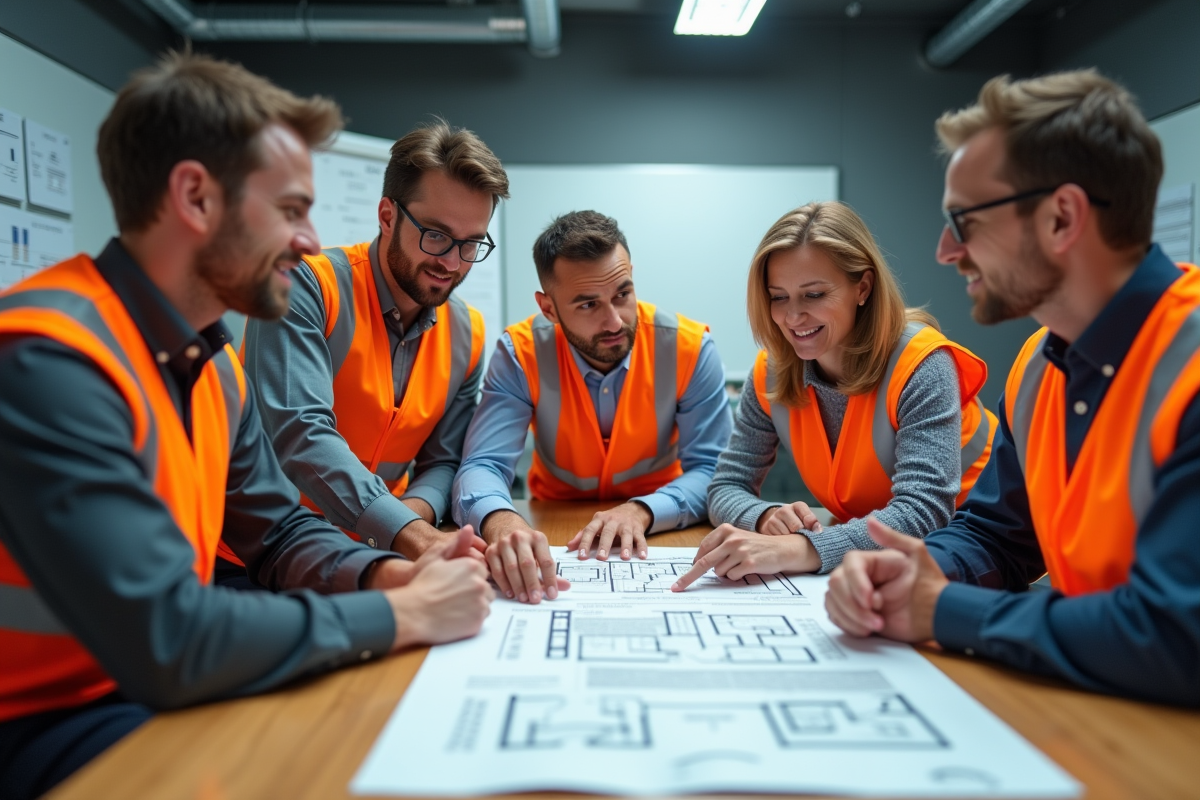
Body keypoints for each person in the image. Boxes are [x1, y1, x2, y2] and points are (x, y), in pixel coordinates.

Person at [0, 52, 493, 800]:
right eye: (291, 209)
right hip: (43, 721)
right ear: (195, 197)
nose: (308, 238)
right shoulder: (48, 358)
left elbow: (278, 531)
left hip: (141, 691)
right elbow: (169, 638)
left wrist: (392, 570)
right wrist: (397, 611)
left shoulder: (211, 363)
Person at [823, 70, 1200, 706]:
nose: (946, 251)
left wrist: (943, 611)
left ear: (1061, 217)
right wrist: (920, 569)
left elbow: (1175, 634)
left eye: (964, 221)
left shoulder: (1188, 367)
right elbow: (998, 534)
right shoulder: (1037, 366)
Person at [223, 121, 507, 580]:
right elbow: (301, 435)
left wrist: (408, 519)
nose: (452, 262)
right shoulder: (303, 286)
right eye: (435, 234)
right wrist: (410, 534)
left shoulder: (468, 332)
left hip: (377, 560)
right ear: (387, 216)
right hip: (254, 556)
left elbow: (443, 461)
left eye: (471, 243)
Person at [673, 201, 996, 591]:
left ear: (862, 287)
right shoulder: (772, 371)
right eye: (779, 297)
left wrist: (799, 548)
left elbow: (924, 511)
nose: (793, 317)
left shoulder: (922, 363)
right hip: (873, 552)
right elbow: (725, 486)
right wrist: (764, 516)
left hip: (973, 549)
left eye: (813, 295)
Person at [453, 210, 732, 603]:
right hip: (555, 527)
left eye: (623, 293)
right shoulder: (520, 353)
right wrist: (500, 522)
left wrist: (641, 510)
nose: (615, 321)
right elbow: (483, 464)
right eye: (588, 305)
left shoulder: (689, 348)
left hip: (662, 527)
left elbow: (713, 472)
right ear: (548, 308)